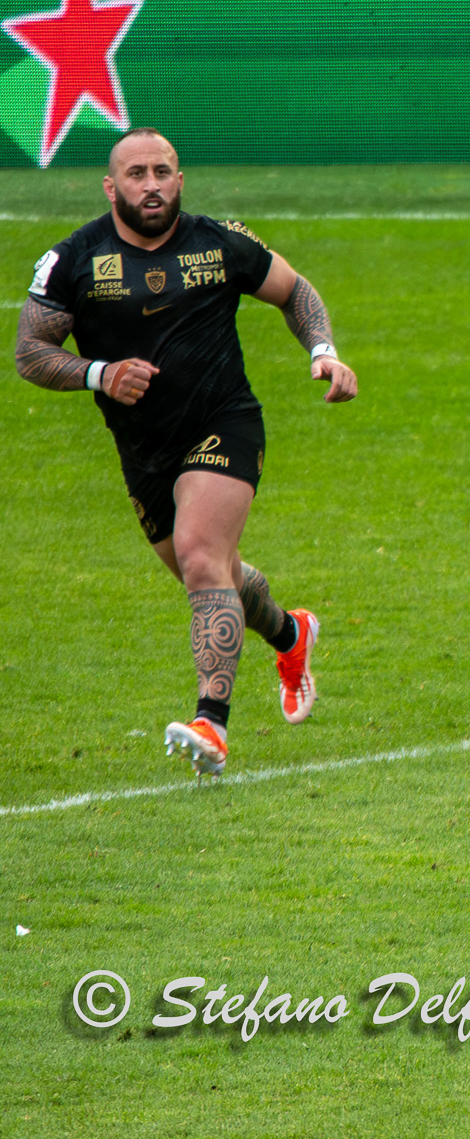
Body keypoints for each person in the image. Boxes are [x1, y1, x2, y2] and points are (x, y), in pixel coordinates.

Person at [14, 127, 355, 778]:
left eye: (162, 172)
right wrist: (99, 373)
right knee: (216, 574)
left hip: (223, 423)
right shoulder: (74, 259)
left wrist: (323, 352)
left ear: (180, 179)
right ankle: (290, 635)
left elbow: (296, 292)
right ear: (111, 187)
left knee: (203, 558)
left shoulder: (219, 242)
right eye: (136, 174)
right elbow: (30, 351)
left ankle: (212, 725)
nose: (151, 185)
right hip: (144, 452)